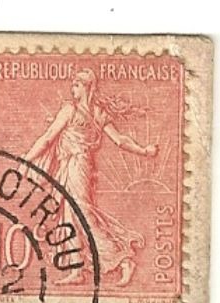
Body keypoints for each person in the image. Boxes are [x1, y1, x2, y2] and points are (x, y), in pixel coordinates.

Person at [24, 67, 159, 287]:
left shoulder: (72, 111)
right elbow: (120, 140)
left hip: (77, 166)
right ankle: (77, 268)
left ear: (87, 87)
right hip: (73, 165)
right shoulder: (96, 113)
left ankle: (122, 260)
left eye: (76, 84)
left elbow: (48, 138)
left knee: (82, 214)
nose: (72, 88)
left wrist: (27, 159)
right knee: (67, 215)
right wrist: (144, 150)